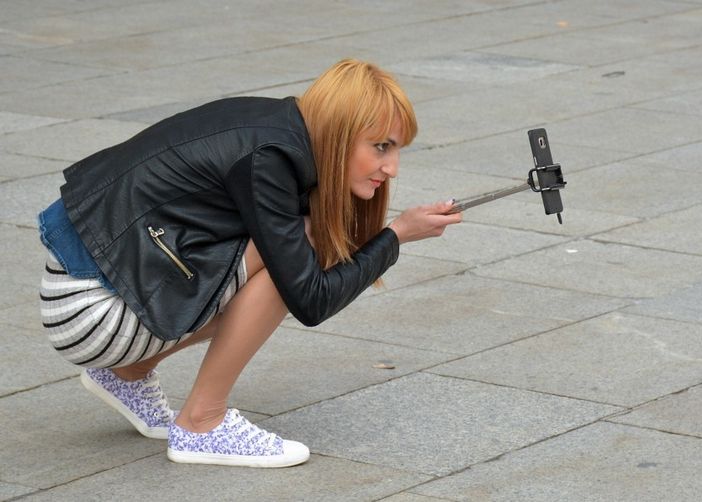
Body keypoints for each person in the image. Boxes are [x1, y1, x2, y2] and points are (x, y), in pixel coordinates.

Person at [37, 59, 462, 468]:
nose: (392, 168)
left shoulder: (280, 129)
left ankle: (129, 372)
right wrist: (396, 236)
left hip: (92, 291)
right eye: (381, 146)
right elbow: (310, 299)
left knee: (293, 248)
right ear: (341, 131)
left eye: (397, 149)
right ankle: (202, 422)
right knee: (302, 247)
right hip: (88, 313)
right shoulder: (270, 157)